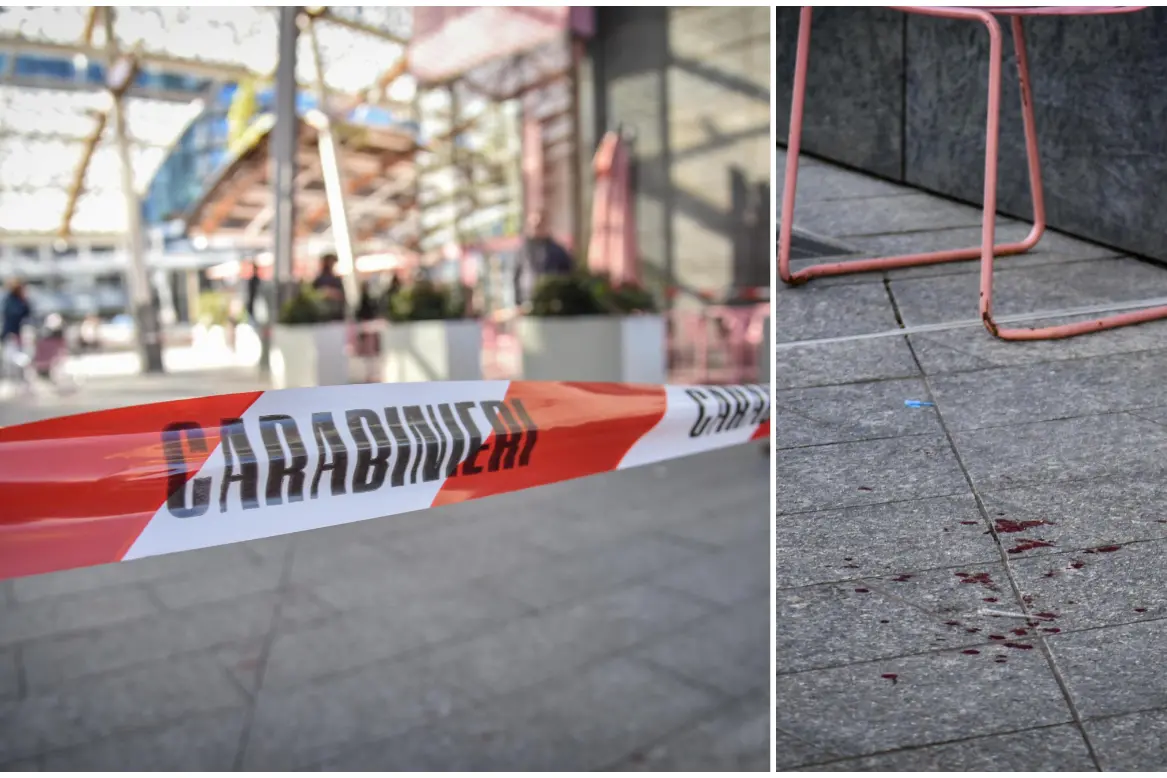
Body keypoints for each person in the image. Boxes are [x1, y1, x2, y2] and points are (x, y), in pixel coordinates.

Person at [512, 211, 573, 311]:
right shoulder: (522, 251)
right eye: (532, 225)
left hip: (552, 304)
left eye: (539, 225)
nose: (535, 228)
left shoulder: (558, 250)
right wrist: (517, 302)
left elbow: (568, 275)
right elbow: (516, 275)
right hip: (527, 301)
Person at [1, 279, 33, 388]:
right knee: (12, 357)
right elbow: (13, 317)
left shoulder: (20, 301)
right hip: (13, 333)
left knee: (17, 356)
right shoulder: (12, 301)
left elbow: (27, 314)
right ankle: (14, 381)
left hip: (17, 333)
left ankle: (19, 381)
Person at [312, 253, 347, 320]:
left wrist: (332, 293)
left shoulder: (336, 279)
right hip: (322, 314)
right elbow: (313, 294)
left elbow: (342, 296)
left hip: (336, 314)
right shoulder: (319, 279)